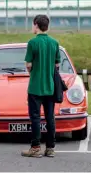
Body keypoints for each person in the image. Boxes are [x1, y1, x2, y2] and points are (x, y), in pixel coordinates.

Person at [21, 14, 59, 158]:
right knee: (50, 117)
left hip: (35, 86)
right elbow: (56, 64)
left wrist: (32, 70)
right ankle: (50, 148)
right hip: (50, 86)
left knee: (36, 118)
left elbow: (28, 64)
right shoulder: (54, 43)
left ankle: (35, 148)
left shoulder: (32, 42)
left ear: (36, 25)